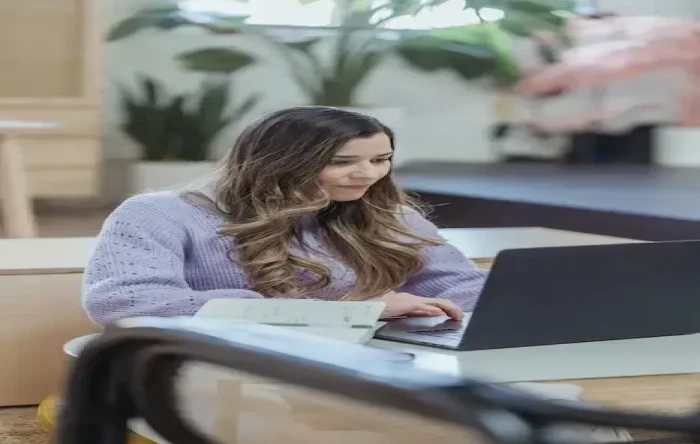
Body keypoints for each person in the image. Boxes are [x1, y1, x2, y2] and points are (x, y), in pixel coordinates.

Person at [83, 107, 487, 325]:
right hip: (224, 365)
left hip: (365, 360)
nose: (368, 174)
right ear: (280, 163)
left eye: (381, 159)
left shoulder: (387, 214)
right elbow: (125, 304)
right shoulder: (159, 214)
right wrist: (350, 311)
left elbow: (458, 286)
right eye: (343, 162)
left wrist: (526, 303)